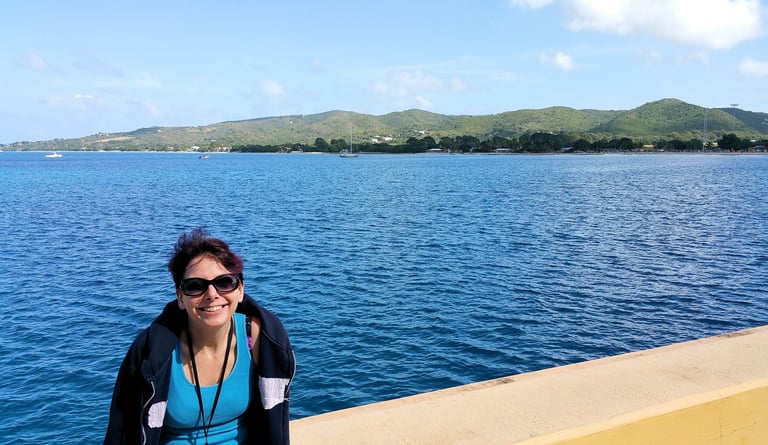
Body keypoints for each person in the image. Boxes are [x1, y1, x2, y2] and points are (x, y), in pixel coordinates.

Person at [104, 229, 295, 445]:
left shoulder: (258, 338)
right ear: (180, 298)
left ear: (240, 290)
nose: (212, 294)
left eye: (224, 282)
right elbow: (122, 430)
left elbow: (275, 422)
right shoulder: (153, 351)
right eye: (196, 286)